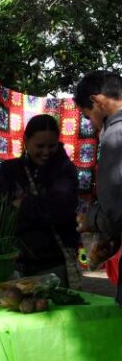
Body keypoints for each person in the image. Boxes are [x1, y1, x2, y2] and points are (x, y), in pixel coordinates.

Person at [0, 114, 80, 287]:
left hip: (54, 265)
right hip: (16, 263)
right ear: (26, 140)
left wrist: (23, 204)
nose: (46, 152)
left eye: (52, 146)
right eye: (40, 146)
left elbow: (59, 212)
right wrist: (42, 205)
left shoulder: (65, 170)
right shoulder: (9, 170)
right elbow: (3, 214)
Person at [74, 70, 122, 303]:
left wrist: (90, 219)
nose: (91, 125)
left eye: (87, 116)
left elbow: (114, 213)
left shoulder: (115, 136)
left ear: (97, 102)